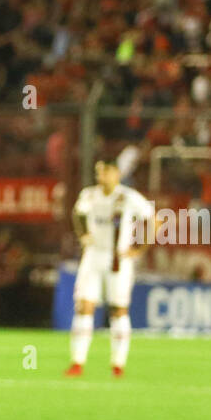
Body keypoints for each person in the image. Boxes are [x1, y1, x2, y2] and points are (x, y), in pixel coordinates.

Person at [66, 158, 156, 377]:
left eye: (105, 172)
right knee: (84, 306)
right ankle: (78, 363)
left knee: (118, 310)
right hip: (93, 256)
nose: (100, 177)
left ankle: (118, 364)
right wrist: (83, 234)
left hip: (119, 259)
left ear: (116, 173)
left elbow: (154, 219)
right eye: (98, 172)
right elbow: (77, 214)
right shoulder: (90, 194)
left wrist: (139, 249)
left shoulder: (129, 197)